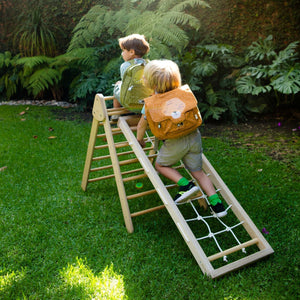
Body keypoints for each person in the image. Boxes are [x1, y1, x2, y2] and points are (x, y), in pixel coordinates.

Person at [136, 59, 227, 217]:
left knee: (161, 165)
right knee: (199, 172)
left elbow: (141, 125)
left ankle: (185, 185)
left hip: (174, 142)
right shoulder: (184, 94)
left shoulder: (150, 104)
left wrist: (139, 139)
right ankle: (217, 205)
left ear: (153, 84)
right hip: (194, 137)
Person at [112, 34, 150, 121]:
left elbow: (125, 83)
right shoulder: (148, 64)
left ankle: (116, 113)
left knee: (117, 84)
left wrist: (119, 84)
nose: (122, 53)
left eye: (123, 50)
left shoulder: (125, 65)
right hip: (146, 104)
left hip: (130, 103)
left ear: (132, 52)